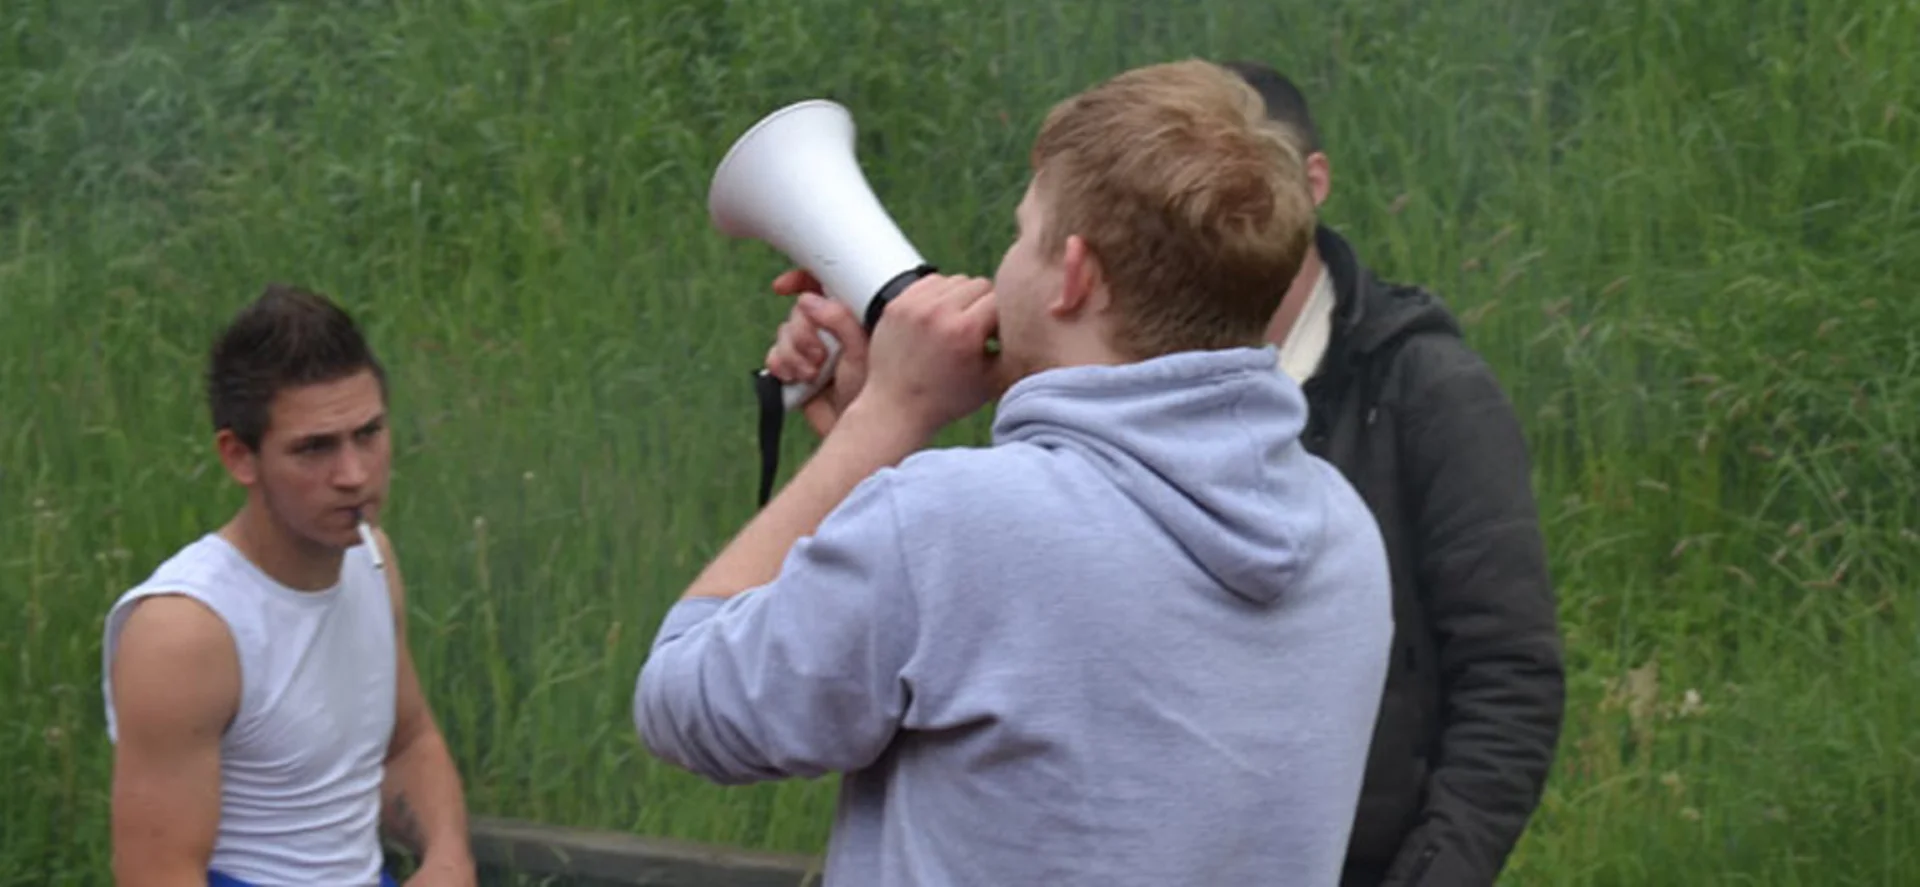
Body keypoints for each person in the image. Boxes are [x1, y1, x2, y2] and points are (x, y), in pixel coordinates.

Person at [760, 60, 1567, 887]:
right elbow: (979, 623)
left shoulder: (1424, 387)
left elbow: (1509, 679)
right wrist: (874, 422)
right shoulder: (1077, 427)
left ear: (1308, 185)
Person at [634, 59, 1393, 886]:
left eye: (1019, 234)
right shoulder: (1344, 529)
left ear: (1073, 274)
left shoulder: (956, 523)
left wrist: (883, 423)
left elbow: (686, 699)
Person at [100, 285, 476, 887]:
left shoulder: (371, 557)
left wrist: (448, 858)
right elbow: (159, 873)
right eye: (314, 449)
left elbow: (408, 742)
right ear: (239, 457)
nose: (353, 476)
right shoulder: (186, 631)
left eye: (369, 434)